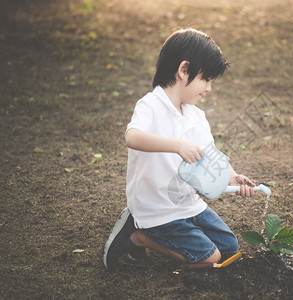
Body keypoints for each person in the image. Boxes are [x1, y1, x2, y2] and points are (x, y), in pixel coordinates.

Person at [103, 28, 256, 271]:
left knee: (229, 247)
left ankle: (180, 239)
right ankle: (138, 236)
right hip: (158, 207)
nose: (208, 88)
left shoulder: (196, 115)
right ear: (184, 70)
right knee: (211, 258)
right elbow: (132, 137)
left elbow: (211, 155)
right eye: (205, 80)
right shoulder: (151, 105)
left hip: (187, 203)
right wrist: (176, 146)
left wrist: (233, 177)